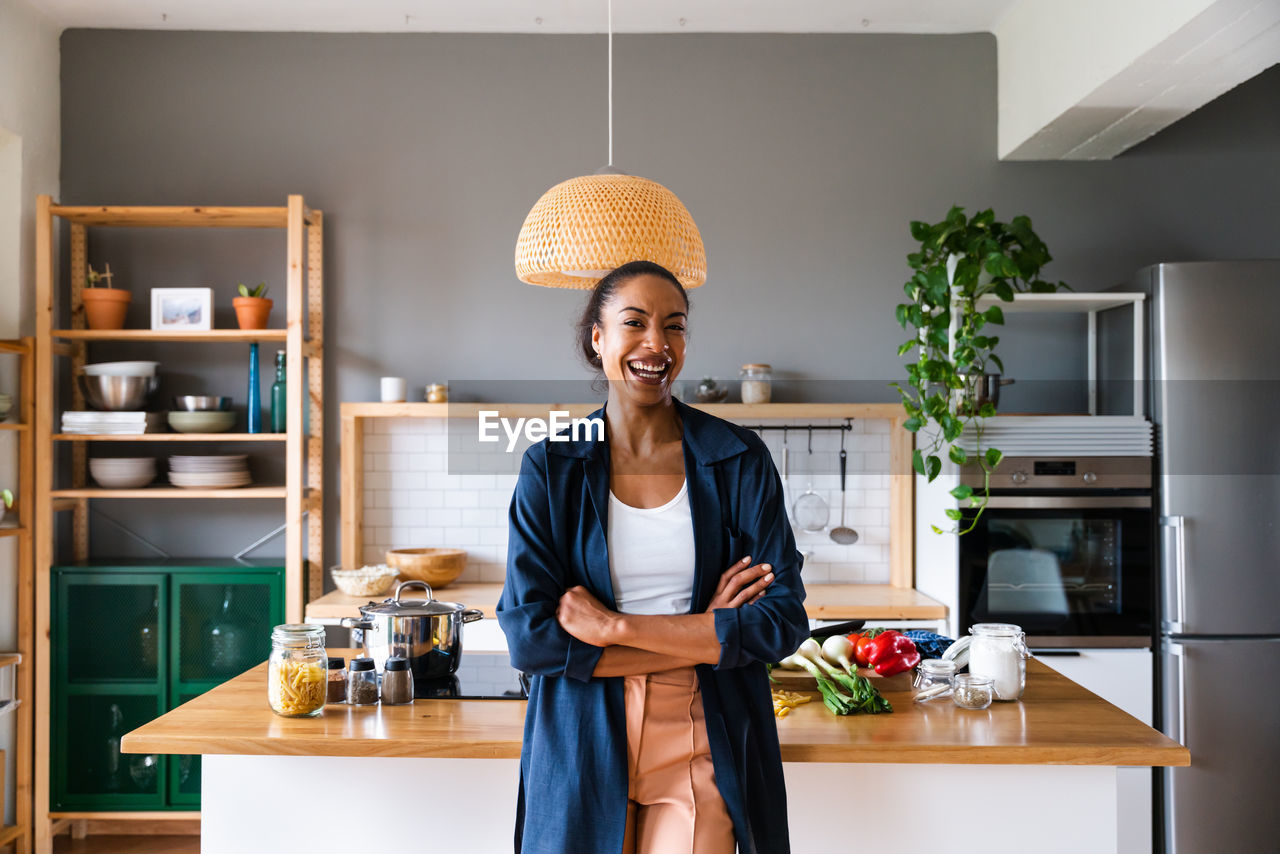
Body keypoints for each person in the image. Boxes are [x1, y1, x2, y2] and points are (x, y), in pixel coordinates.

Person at [497, 260, 809, 854]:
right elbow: (532, 640)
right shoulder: (552, 466)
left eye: (675, 325)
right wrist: (705, 633)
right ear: (598, 337)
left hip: (703, 732)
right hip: (581, 733)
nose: (656, 344)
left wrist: (615, 628)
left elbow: (782, 621)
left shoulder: (738, 458)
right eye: (634, 322)